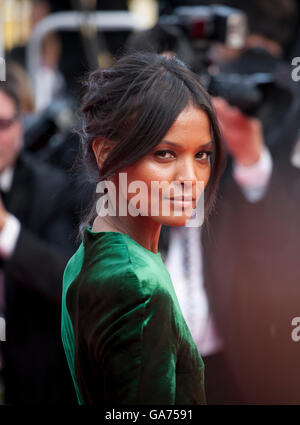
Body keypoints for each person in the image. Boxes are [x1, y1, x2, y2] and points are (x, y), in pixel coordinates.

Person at [61, 52, 225, 405]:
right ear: (106, 152)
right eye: (165, 154)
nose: (190, 180)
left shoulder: (95, 248)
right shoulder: (134, 284)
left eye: (202, 155)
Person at [0, 62, 76, 404]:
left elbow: (68, 280)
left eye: (1, 125)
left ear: (21, 126)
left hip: (33, 379)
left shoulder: (50, 187)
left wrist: (6, 230)